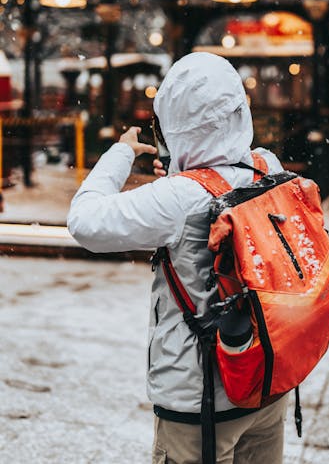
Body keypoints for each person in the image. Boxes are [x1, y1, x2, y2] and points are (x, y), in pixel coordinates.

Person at [67, 52, 288, 464]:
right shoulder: (267, 166)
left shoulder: (178, 199)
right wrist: (177, 176)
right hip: (266, 382)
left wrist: (121, 153)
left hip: (200, 403)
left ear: (172, 123)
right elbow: (221, 175)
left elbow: (84, 221)